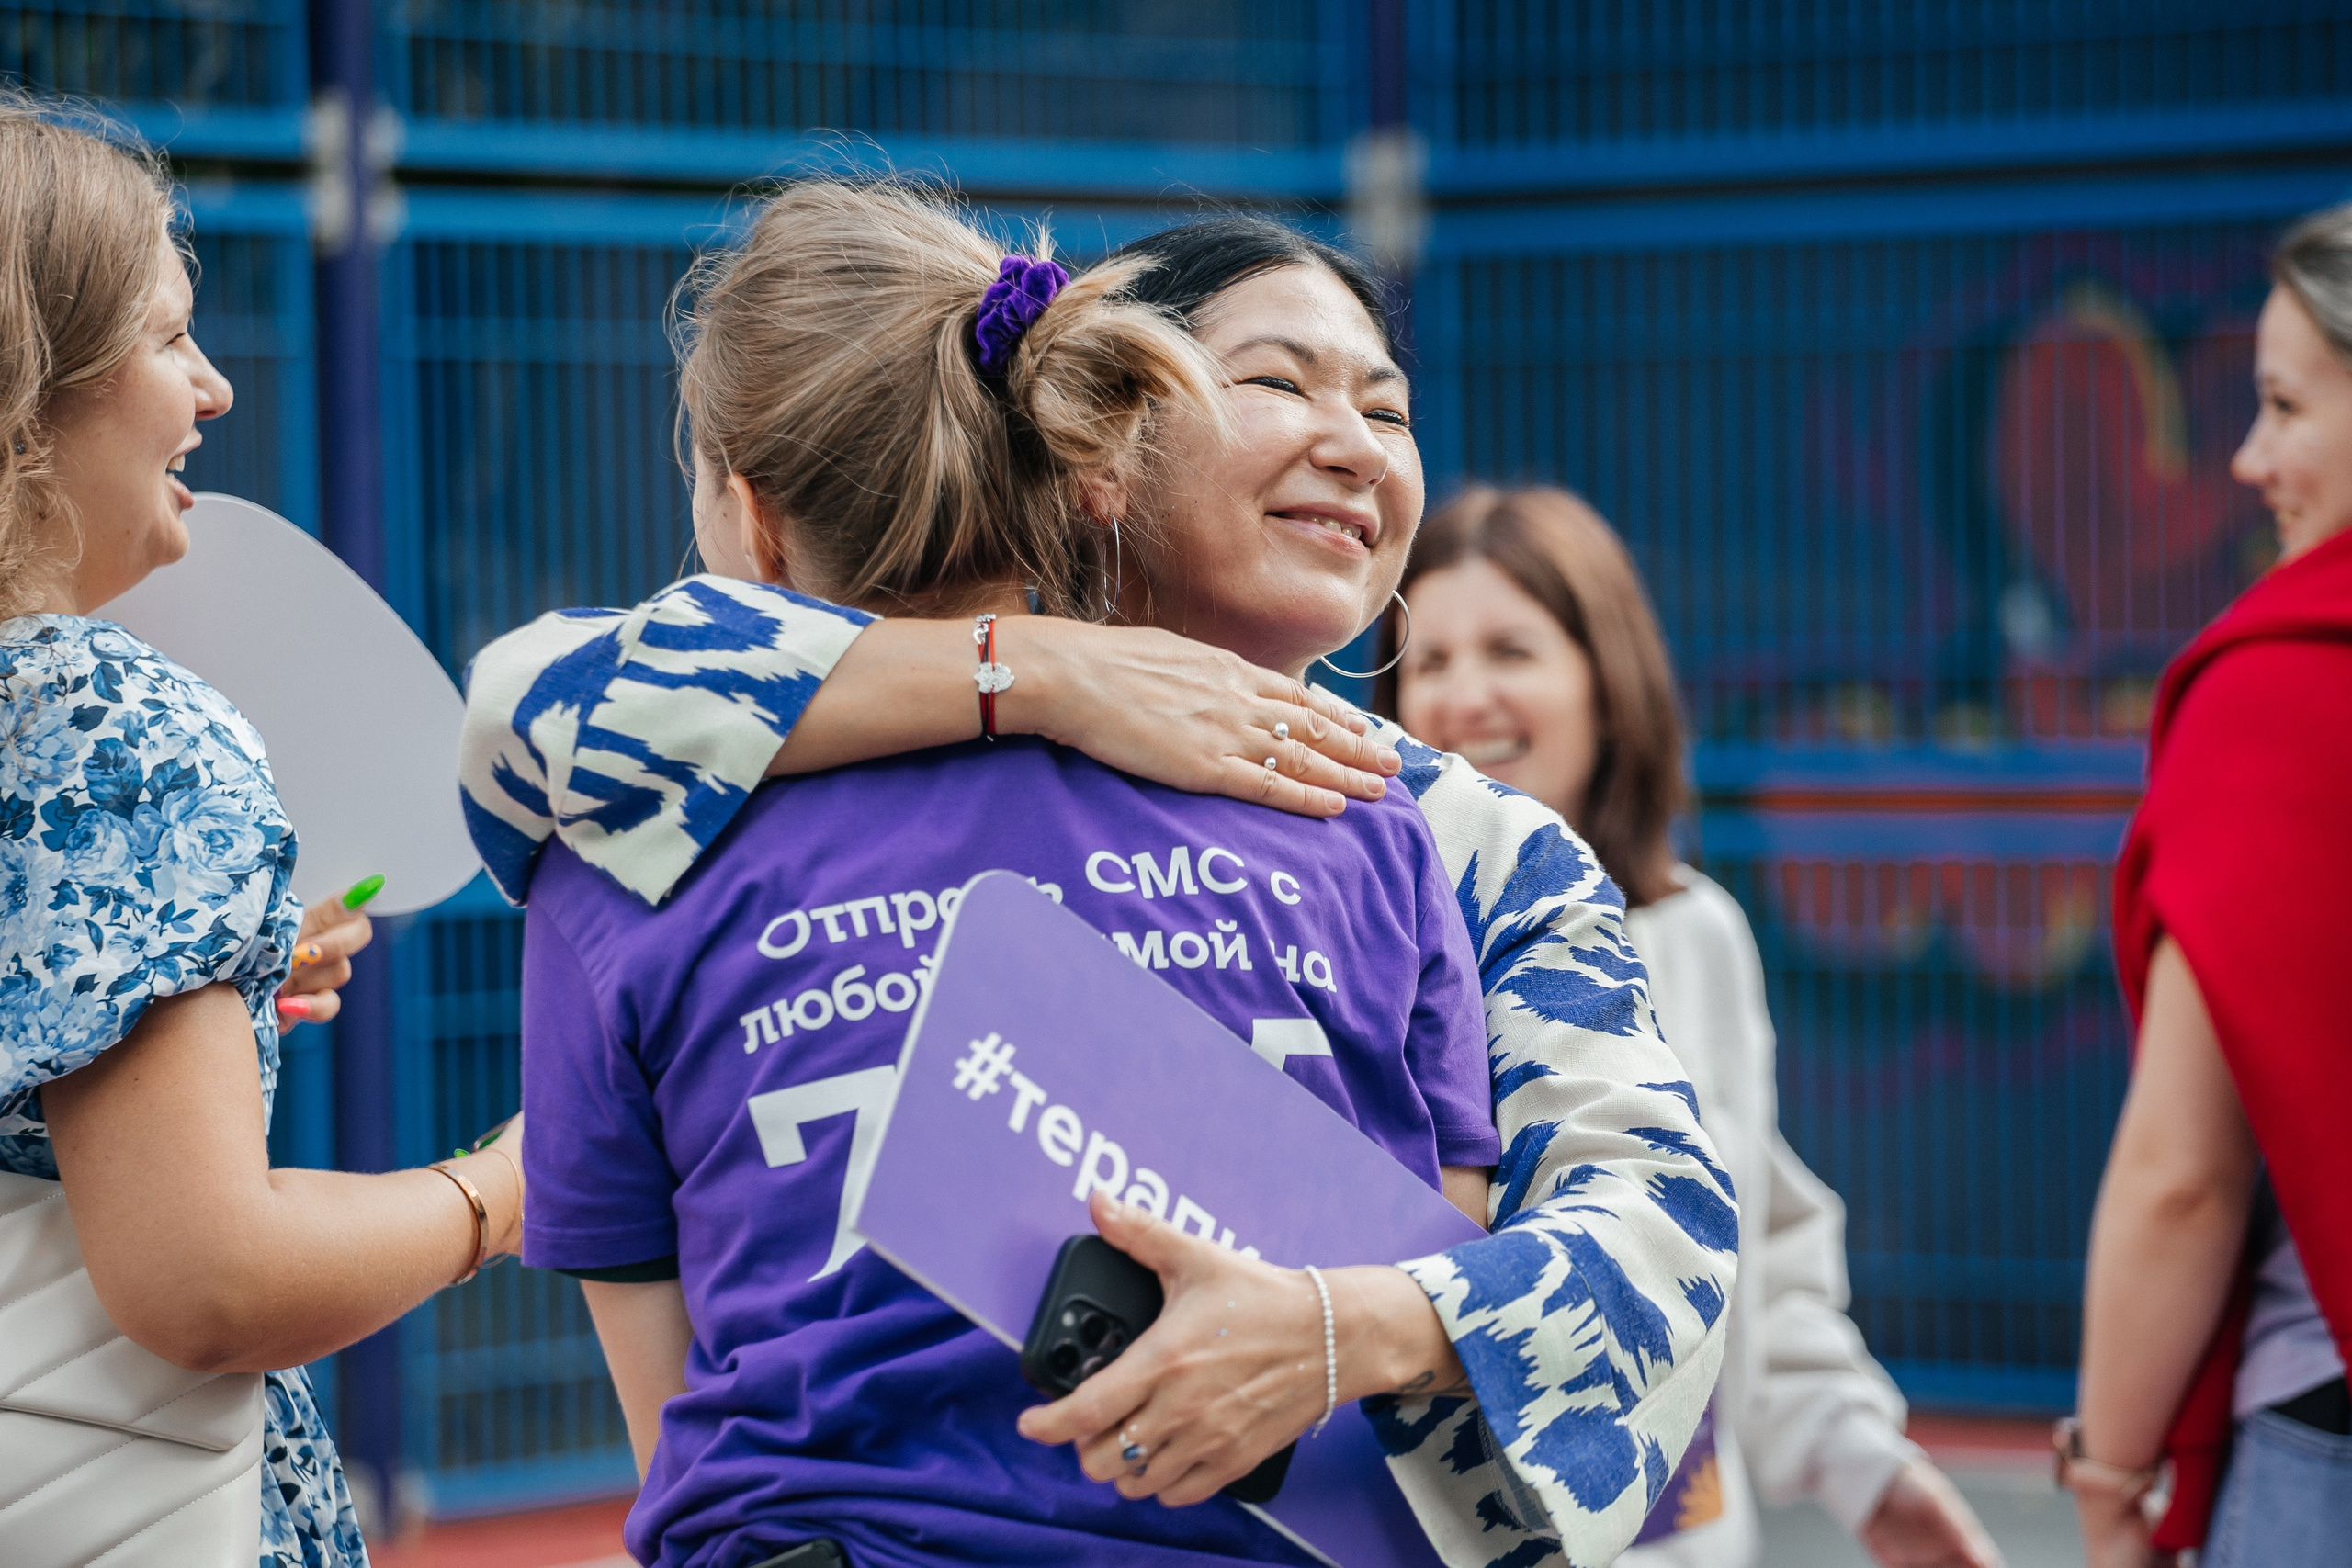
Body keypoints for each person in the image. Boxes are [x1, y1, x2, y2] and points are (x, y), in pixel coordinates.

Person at [463, 209, 1736, 1564]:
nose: (1358, 443)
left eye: (1388, 406)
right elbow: (516, 710)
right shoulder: (828, 729)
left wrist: (1332, 1328)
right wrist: (1039, 675)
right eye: (1276, 380)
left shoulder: (1460, 836)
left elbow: (1663, 1235)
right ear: (1097, 436)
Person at [0, 99, 526, 1567]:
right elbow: (206, 1280)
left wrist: (192, 977)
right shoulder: (119, 725)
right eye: (172, 339)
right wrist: (504, 1186)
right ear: (40, 379)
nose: (215, 390)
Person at [1388, 485, 2003, 1568]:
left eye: (1510, 650)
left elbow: (1747, 1232)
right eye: (1427, 664)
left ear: (1606, 683)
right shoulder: (1368, 948)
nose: (1464, 697)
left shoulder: (1693, 932)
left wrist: (1866, 1464)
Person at [2064, 204, 2352, 1568]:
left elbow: (2184, 1169)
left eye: (2286, 404)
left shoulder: (2286, 690)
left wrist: (2113, 1472)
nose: (2249, 459)